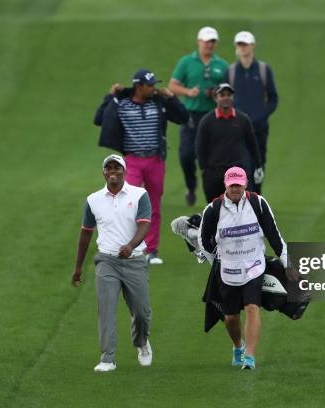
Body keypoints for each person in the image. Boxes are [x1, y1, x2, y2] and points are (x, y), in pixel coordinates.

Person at [94, 69, 189, 265]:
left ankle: (151, 250)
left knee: (153, 205)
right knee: (129, 204)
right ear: (139, 86)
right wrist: (110, 95)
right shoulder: (122, 103)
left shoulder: (159, 102)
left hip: (155, 160)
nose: (154, 87)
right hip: (132, 161)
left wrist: (172, 99)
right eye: (150, 85)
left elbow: (183, 118)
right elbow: (98, 119)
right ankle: (128, 247)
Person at [198, 167, 288, 369]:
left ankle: (250, 357)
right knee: (230, 317)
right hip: (227, 269)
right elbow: (203, 240)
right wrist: (215, 259)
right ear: (226, 185)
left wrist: (286, 261)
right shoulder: (213, 209)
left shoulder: (258, 203)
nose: (235, 189)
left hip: (254, 265)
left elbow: (273, 233)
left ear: (245, 184)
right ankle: (238, 346)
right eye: (232, 185)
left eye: (238, 184)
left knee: (252, 308)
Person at [72, 154, 153, 371]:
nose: (113, 172)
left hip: (134, 261)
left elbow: (145, 225)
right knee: (106, 309)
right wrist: (78, 266)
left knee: (142, 311)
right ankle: (107, 358)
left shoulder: (139, 195)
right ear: (103, 173)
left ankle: (141, 342)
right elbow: (86, 233)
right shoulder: (93, 200)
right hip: (107, 261)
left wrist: (131, 245)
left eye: (117, 168)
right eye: (109, 168)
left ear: (124, 172)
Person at [169, 26, 229, 206]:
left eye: (212, 41)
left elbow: (229, 92)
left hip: (213, 117)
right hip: (190, 116)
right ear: (199, 41)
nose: (209, 44)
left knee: (211, 158)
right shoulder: (187, 62)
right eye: (206, 41)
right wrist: (188, 92)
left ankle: (212, 195)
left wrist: (217, 94)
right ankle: (191, 185)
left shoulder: (222, 65)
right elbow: (173, 86)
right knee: (186, 155)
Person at [225, 31, 278, 194]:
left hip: (259, 127)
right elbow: (226, 98)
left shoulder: (263, 70)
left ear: (252, 46)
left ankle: (257, 195)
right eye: (239, 44)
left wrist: (263, 115)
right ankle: (246, 196)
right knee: (241, 162)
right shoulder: (232, 71)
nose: (242, 48)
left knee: (258, 162)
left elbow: (273, 97)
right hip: (237, 127)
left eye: (245, 44)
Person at [195, 83, 263, 203]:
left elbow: (252, 144)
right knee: (215, 211)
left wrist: (258, 166)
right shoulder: (207, 121)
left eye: (229, 95)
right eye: (222, 95)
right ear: (216, 98)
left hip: (239, 172)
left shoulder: (243, 119)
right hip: (215, 173)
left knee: (243, 208)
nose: (226, 97)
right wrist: (204, 169)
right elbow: (201, 147)